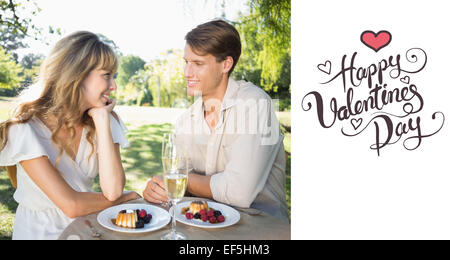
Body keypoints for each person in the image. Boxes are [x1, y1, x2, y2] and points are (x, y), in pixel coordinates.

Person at [143, 20, 289, 221]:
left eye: (198, 64)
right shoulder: (185, 121)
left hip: (259, 227)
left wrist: (179, 180)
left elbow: (239, 192)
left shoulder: (255, 104)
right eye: (186, 62)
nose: (187, 72)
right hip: (205, 224)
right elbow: (179, 190)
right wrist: (159, 190)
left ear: (226, 65)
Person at [0, 31, 140, 240]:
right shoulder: (25, 129)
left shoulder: (105, 119)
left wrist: (102, 120)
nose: (113, 86)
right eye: (106, 75)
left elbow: (112, 191)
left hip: (87, 229)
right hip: (40, 233)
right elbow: (72, 205)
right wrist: (129, 198)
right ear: (77, 75)